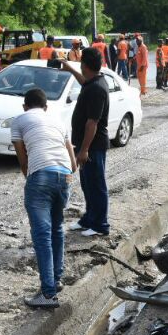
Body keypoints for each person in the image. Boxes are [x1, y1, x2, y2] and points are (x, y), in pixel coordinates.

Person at [11, 86, 77, 309]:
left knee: (42, 235)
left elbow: (23, 160)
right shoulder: (58, 121)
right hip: (65, 175)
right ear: (46, 107)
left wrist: (34, 180)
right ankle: (55, 281)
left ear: (25, 106)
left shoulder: (19, 120)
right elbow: (74, 164)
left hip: (41, 175)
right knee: (57, 228)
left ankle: (47, 295)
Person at [60, 47, 110, 237]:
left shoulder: (97, 89)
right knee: (87, 184)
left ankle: (100, 225)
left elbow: (92, 123)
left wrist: (84, 150)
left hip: (93, 146)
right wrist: (70, 70)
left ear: (86, 66)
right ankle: (89, 219)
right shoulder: (94, 81)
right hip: (85, 145)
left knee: (97, 184)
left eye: (80, 64)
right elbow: (84, 82)